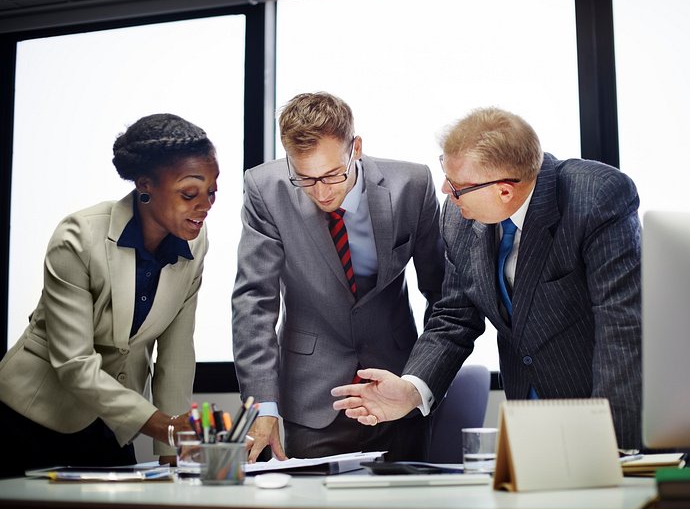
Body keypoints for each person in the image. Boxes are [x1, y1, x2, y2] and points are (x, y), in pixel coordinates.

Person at [332, 106, 643, 450]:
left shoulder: (595, 198)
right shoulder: (459, 215)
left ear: (505, 191)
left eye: (458, 185)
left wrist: (613, 441)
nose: (445, 190)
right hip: (531, 420)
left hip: (605, 414)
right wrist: (411, 389)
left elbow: (621, 323)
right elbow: (454, 317)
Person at [0, 113, 219, 477]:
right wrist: (161, 424)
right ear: (145, 186)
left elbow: (176, 354)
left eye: (212, 191)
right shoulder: (78, 237)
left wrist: (172, 452)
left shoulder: (196, 241)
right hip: (30, 419)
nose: (206, 204)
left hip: (112, 425)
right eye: (189, 193)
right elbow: (73, 363)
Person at [232, 92, 445, 462]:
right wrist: (263, 406)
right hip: (313, 400)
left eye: (332, 174)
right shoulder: (265, 189)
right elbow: (254, 301)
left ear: (356, 148)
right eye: (306, 179)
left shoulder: (413, 184)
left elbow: (443, 296)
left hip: (398, 392)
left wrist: (418, 381)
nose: (322, 191)